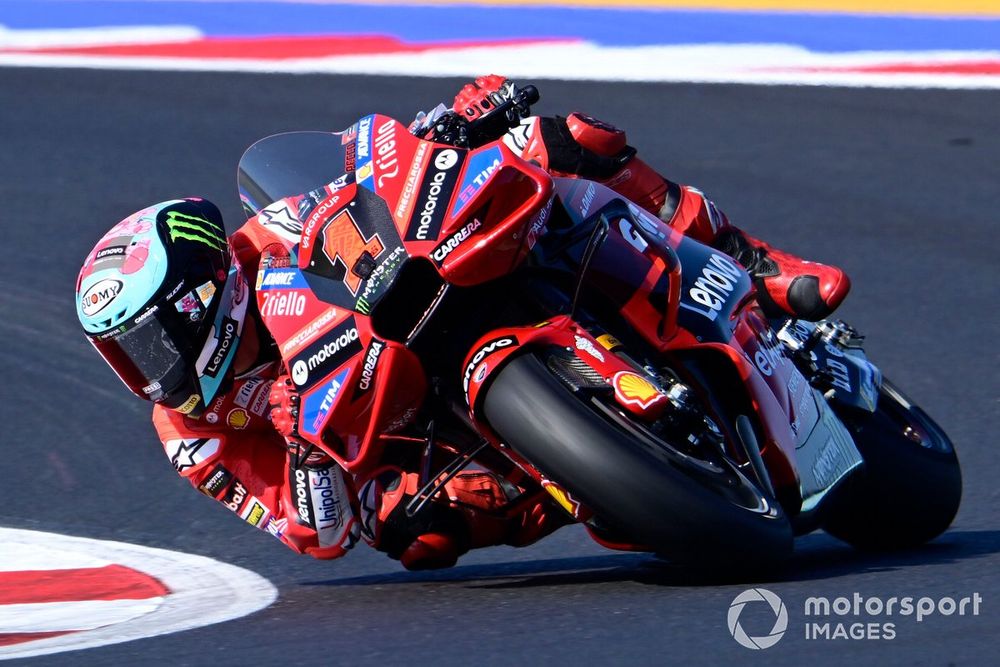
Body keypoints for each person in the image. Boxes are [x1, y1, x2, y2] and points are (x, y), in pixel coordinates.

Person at [75, 76, 849, 570]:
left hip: (429, 290)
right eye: (123, 352)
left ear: (203, 295)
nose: (147, 370)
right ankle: (597, 478)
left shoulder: (266, 237)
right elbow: (316, 533)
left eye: (148, 341)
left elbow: (361, 170)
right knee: (411, 533)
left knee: (561, 140)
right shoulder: (194, 436)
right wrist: (305, 451)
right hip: (402, 427)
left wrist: (445, 131)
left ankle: (751, 261)